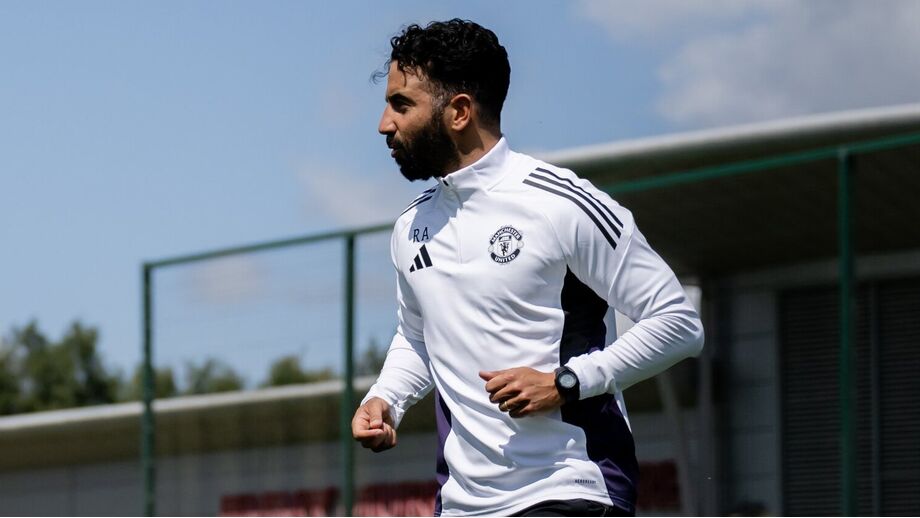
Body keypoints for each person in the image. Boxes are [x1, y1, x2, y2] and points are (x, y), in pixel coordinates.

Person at [351, 19, 704, 517]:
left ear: (458, 112)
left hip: (568, 487)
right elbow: (416, 337)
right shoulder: (410, 228)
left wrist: (565, 382)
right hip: (461, 504)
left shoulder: (562, 204)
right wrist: (386, 397)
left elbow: (678, 324)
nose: (385, 124)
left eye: (401, 104)